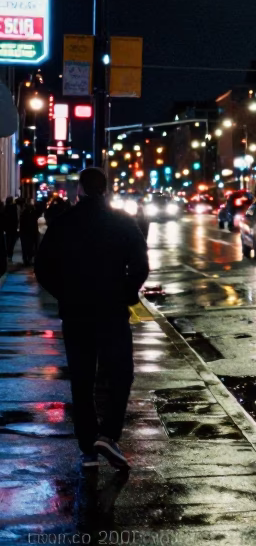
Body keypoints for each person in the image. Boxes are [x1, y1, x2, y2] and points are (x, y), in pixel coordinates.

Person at [35, 168, 149, 471]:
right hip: (111, 310)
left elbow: (42, 266)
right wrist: (124, 291)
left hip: (76, 312)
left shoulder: (64, 223)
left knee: (82, 377)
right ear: (106, 189)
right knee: (120, 374)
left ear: (80, 190)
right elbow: (140, 266)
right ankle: (109, 434)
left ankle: (87, 442)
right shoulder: (122, 222)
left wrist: (65, 293)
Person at [18, 197, 41, 266]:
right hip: (30, 232)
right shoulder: (32, 213)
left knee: (26, 247)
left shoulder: (24, 213)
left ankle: (27, 259)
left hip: (27, 232)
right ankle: (28, 258)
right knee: (30, 246)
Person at [2, 197, 18, 261]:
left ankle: (8, 254)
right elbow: (16, 218)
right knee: (12, 242)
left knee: (8, 241)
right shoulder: (14, 208)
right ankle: (10, 254)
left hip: (7, 228)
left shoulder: (5, 208)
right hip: (13, 228)